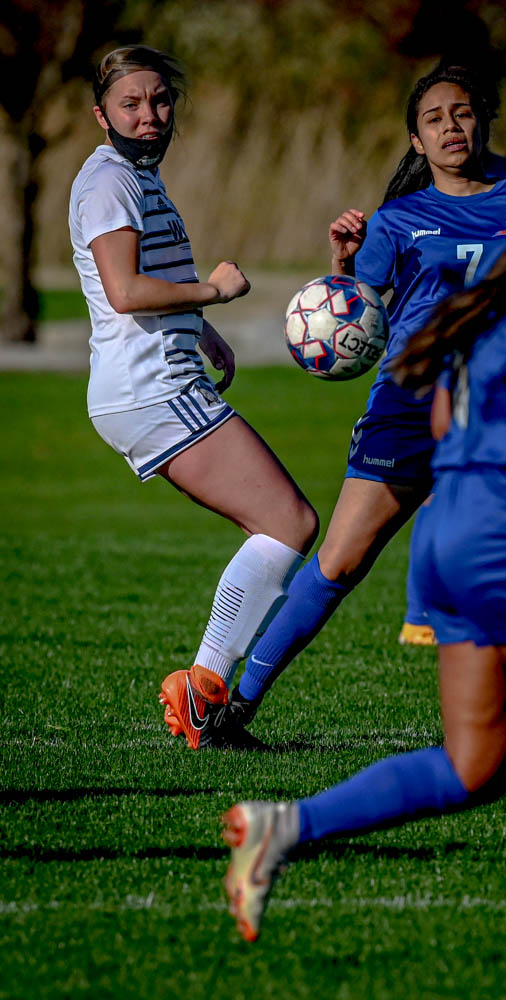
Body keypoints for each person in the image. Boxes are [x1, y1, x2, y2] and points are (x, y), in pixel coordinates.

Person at [220, 107, 506, 972]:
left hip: (453, 538)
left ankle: (282, 826)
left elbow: (449, 410)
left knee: (478, 766)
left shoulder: (485, 291)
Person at [227, 64, 506, 727]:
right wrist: (341, 264)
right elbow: (353, 315)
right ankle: (236, 707)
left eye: (463, 113)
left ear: (485, 121)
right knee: (341, 560)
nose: (450, 127)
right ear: (416, 141)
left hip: (496, 411)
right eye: (434, 119)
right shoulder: (395, 220)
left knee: (502, 563)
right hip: (409, 403)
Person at [68, 46, 318, 749]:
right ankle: (203, 691)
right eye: (130, 104)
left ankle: (206, 697)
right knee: (288, 521)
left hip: (160, 378)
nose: (149, 116)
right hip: (149, 388)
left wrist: (201, 330)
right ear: (102, 114)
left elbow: (141, 285)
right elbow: (124, 291)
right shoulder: (109, 182)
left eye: (160, 101)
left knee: (281, 524)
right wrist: (214, 291)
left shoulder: (138, 177)